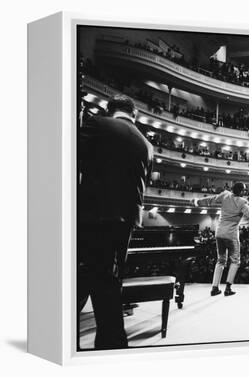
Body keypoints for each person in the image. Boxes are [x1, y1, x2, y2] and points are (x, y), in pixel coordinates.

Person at [77, 94, 154, 350]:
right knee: (108, 278)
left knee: (94, 276)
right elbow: (145, 181)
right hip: (128, 219)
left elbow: (73, 158)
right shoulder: (146, 144)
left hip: (94, 212)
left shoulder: (97, 124)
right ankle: (110, 343)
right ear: (135, 115)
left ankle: (110, 343)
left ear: (111, 110)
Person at [190, 182, 249, 296]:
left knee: (220, 260)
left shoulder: (224, 195)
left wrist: (196, 201)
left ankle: (214, 288)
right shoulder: (242, 203)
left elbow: (210, 200)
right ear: (241, 191)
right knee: (235, 261)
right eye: (244, 190)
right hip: (231, 235)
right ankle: (228, 288)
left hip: (219, 233)